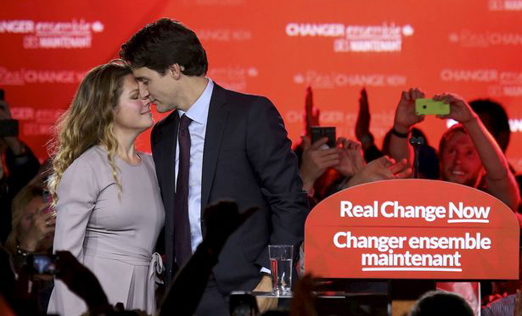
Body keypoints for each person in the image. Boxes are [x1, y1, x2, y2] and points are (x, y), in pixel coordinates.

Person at [119, 18, 308, 315]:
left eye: (145, 80)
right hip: (182, 290)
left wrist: (277, 281)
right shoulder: (163, 133)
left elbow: (289, 202)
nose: (143, 92)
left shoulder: (251, 114)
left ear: (174, 69)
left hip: (251, 288)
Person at [46, 62, 165, 315]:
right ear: (107, 109)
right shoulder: (88, 167)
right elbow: (66, 259)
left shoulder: (154, 167)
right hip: (95, 299)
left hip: (144, 297)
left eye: (145, 95)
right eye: (135, 97)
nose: (147, 101)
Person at [389, 88, 519, 211]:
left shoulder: (496, 205)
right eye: (452, 151)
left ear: (484, 165)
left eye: (469, 153)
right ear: (440, 157)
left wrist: (471, 121)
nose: (458, 161)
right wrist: (401, 127)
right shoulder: (423, 199)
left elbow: (500, 175)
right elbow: (402, 167)